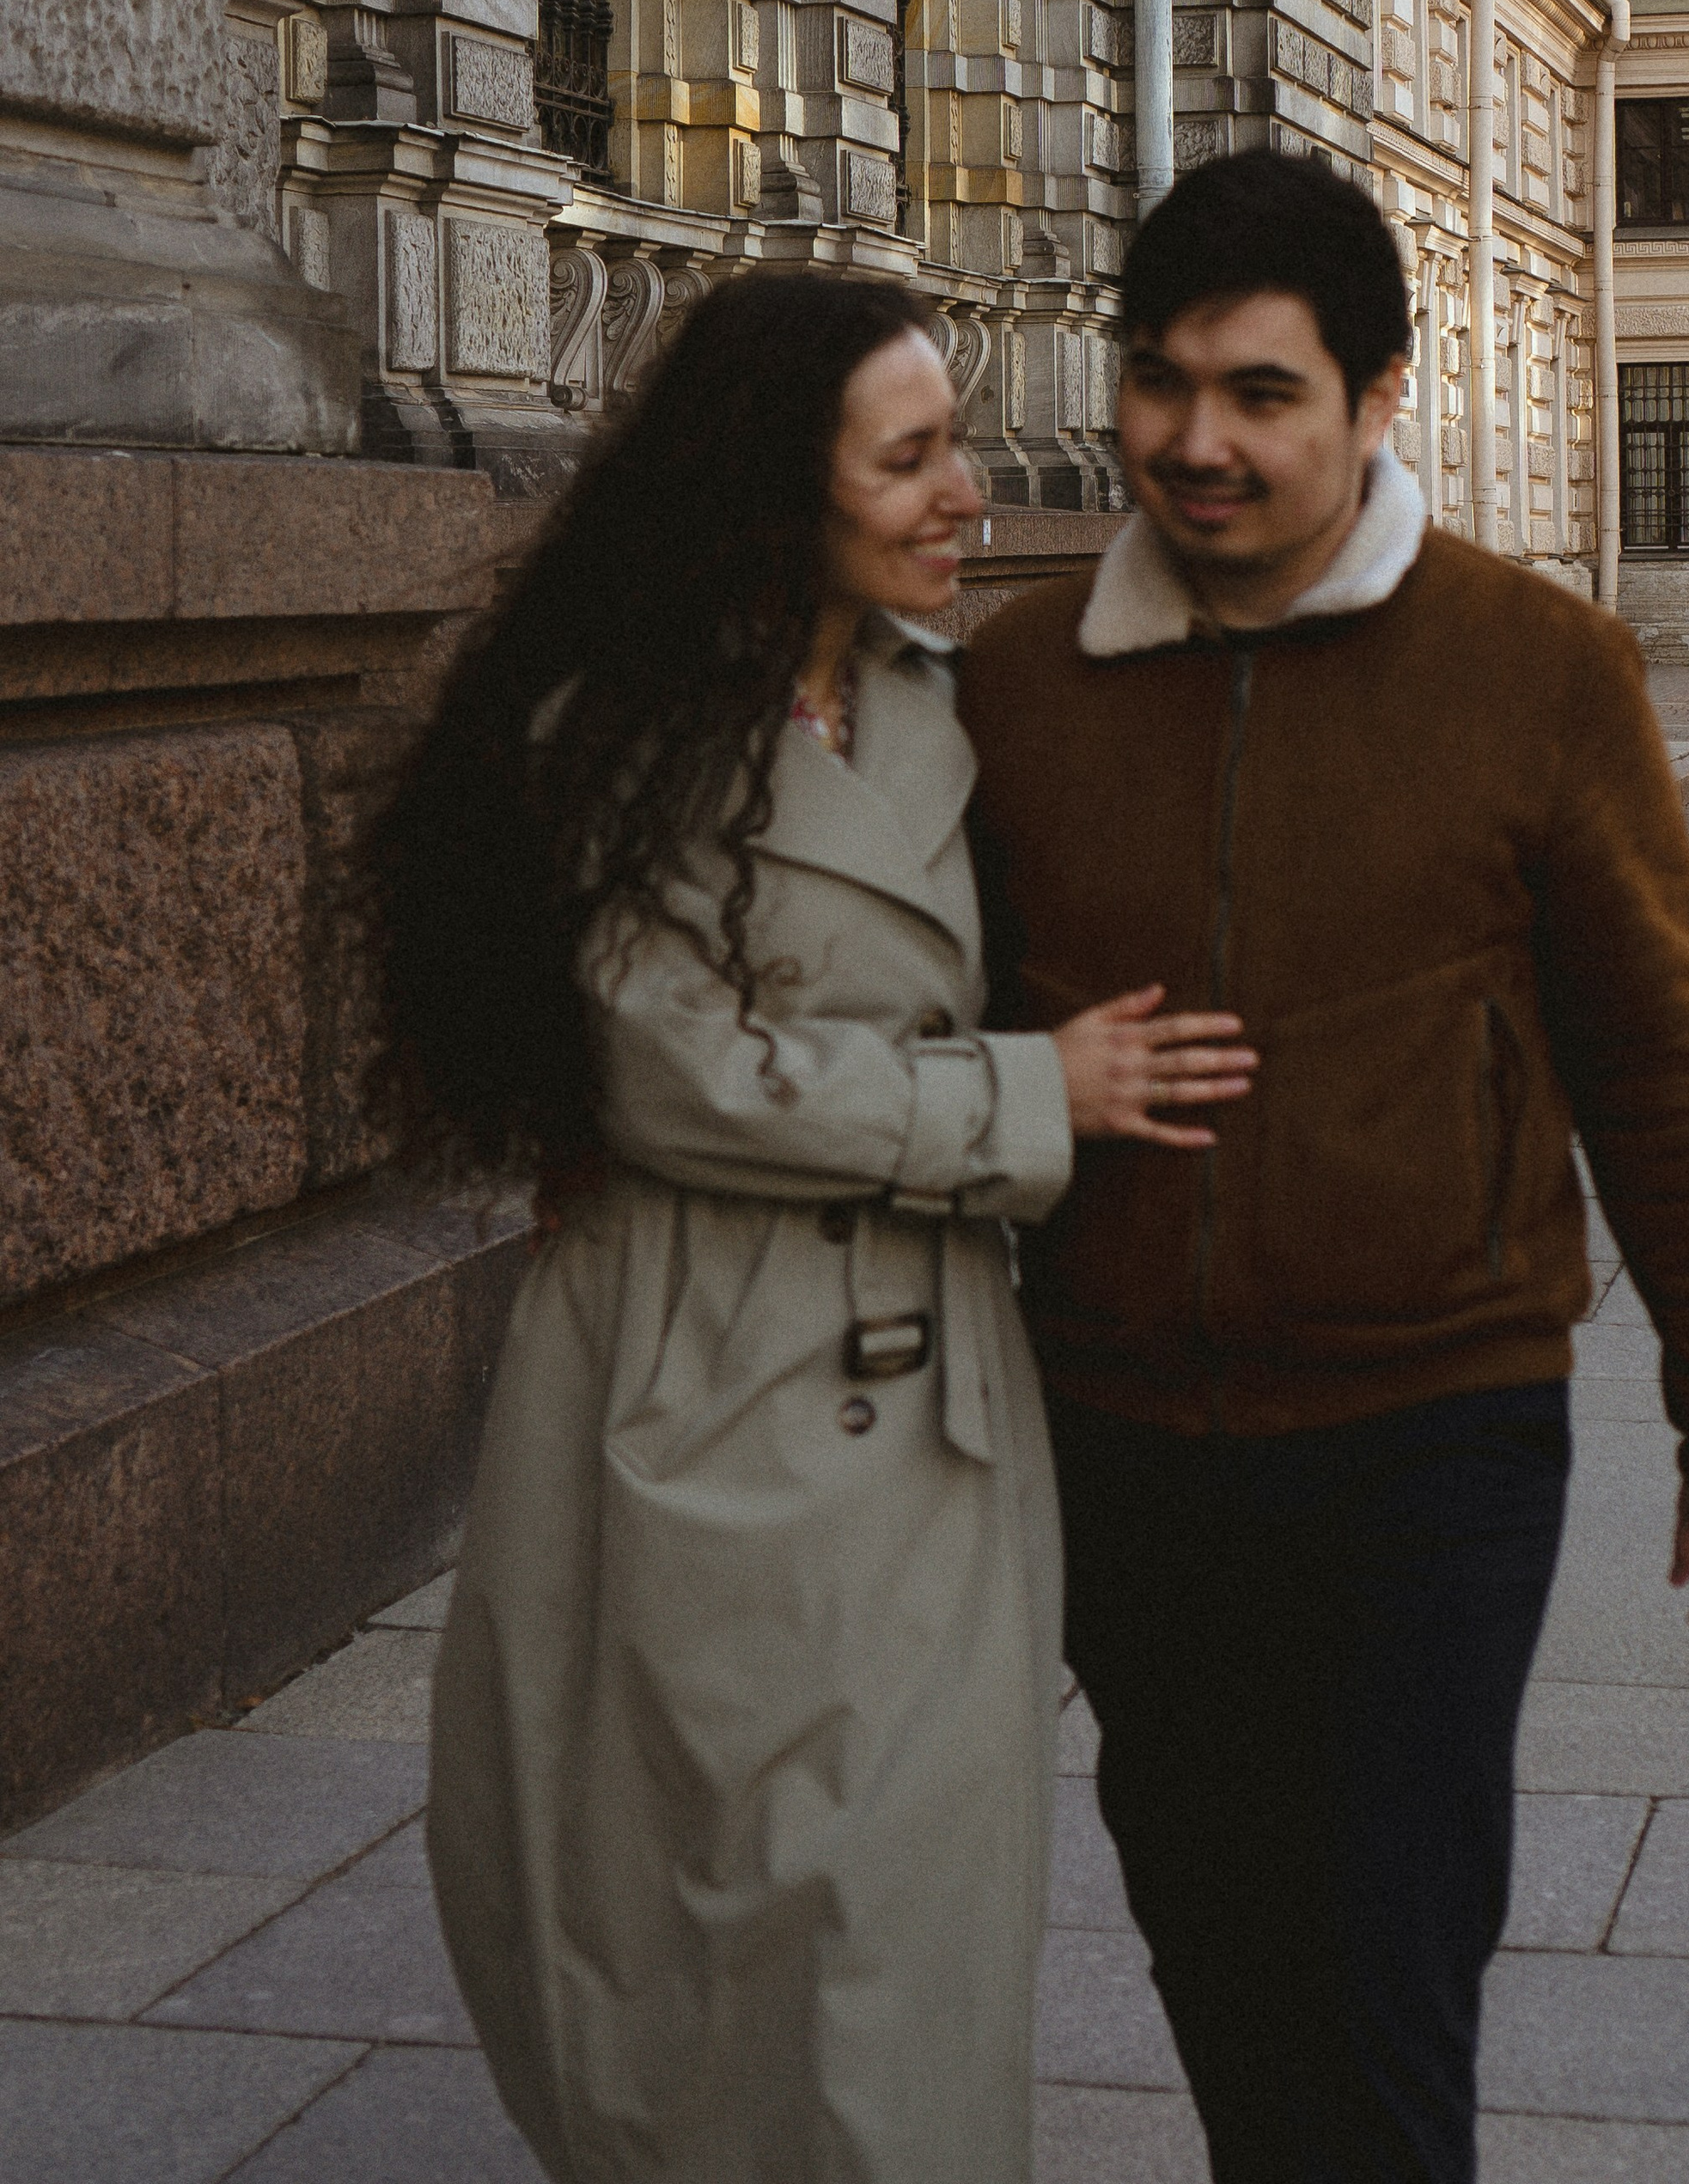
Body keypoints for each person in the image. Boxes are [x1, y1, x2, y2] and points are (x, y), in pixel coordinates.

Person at [958, 151, 1689, 2184]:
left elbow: (1651, 1060)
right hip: (1116, 1427)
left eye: (1259, 392)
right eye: (1161, 384)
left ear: (1375, 395)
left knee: (1384, 1948)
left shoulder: (1532, 665)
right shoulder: (1010, 684)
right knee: (1216, 1937)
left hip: (1429, 1424)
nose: (1195, 440)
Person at [367, 273, 1255, 2184]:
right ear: (782, 489)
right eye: (914, 458)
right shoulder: (619, 730)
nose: (968, 498)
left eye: (960, 449)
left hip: (941, 1392)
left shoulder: (954, 703)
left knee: (913, 1935)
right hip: (716, 1370)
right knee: (713, 1921)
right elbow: (671, 1069)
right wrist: (1029, 1099)